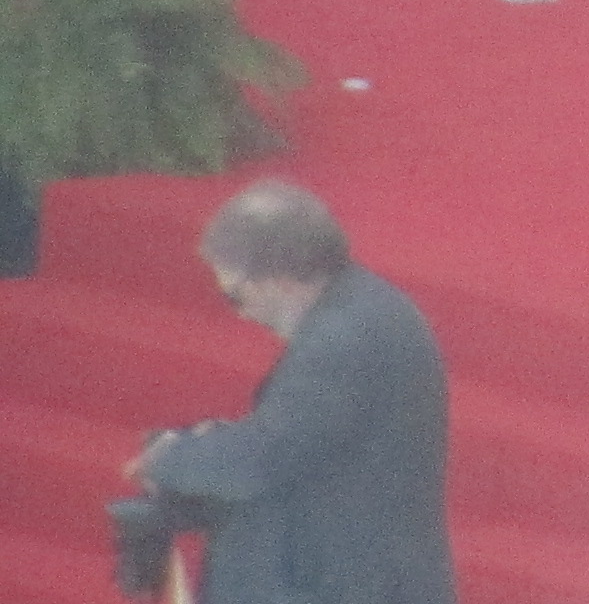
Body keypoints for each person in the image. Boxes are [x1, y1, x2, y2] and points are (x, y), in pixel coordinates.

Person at [131, 179, 457, 604]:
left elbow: (265, 459)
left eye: (235, 297)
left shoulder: (341, 342)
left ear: (278, 277)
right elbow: (304, 440)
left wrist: (171, 458)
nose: (242, 316)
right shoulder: (365, 307)